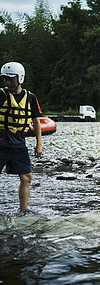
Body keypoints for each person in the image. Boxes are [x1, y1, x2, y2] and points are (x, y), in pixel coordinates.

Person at [0, 62, 43, 211]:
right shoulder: (1, 95)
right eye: (5, 79)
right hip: (1, 141)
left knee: (27, 177)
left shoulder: (30, 98)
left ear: (20, 78)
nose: (8, 82)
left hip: (19, 142)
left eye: (11, 79)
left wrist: (39, 144)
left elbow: (36, 121)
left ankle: (23, 211)